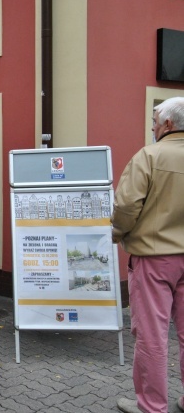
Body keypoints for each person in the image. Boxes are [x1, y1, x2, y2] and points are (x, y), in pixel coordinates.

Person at [113, 97, 184, 413]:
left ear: (168, 124)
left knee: (152, 337)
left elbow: (126, 207)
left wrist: (117, 234)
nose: (153, 127)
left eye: (154, 121)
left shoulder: (149, 156)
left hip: (154, 258)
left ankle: (152, 406)